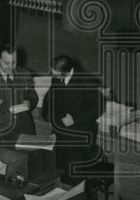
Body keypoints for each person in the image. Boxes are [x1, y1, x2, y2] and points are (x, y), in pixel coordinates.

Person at [41, 54, 103, 185]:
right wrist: (47, 114)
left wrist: (75, 119)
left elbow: (98, 107)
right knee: (58, 168)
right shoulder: (57, 78)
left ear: (67, 71)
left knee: (73, 172)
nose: (53, 77)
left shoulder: (86, 81)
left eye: (56, 74)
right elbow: (51, 97)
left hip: (80, 133)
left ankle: (73, 197)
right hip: (61, 130)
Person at [0, 45, 39, 141]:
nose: (10, 67)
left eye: (13, 63)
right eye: (6, 63)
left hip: (23, 126)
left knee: (28, 153)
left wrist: (29, 102)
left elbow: (33, 96)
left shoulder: (25, 74)